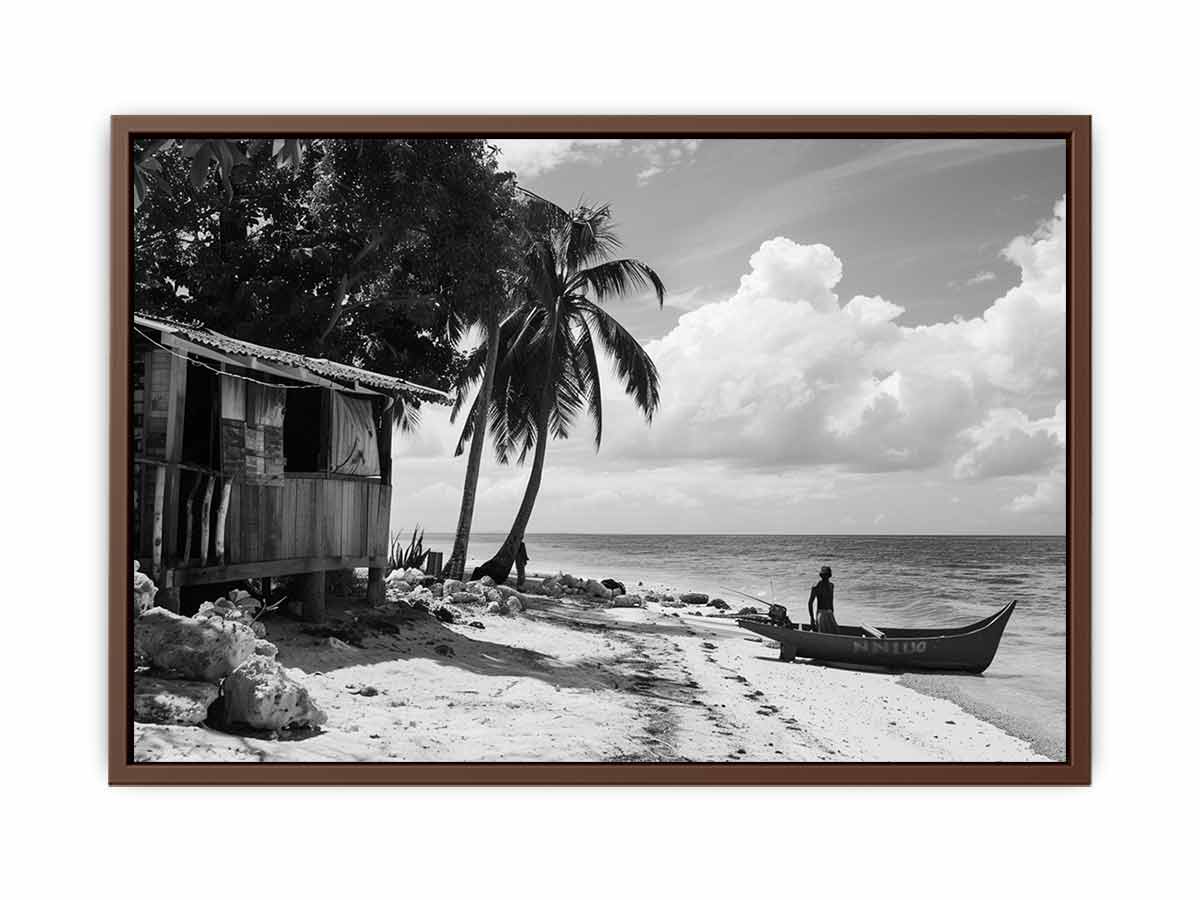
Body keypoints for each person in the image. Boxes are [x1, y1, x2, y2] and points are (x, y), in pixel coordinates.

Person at [807, 565, 838, 633]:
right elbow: (810, 603)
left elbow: (831, 600)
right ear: (821, 575)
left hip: (830, 613)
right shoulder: (817, 586)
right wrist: (812, 618)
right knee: (823, 634)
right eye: (823, 575)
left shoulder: (831, 585)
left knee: (835, 633)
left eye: (827, 575)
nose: (825, 577)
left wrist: (832, 612)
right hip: (821, 613)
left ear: (829, 575)